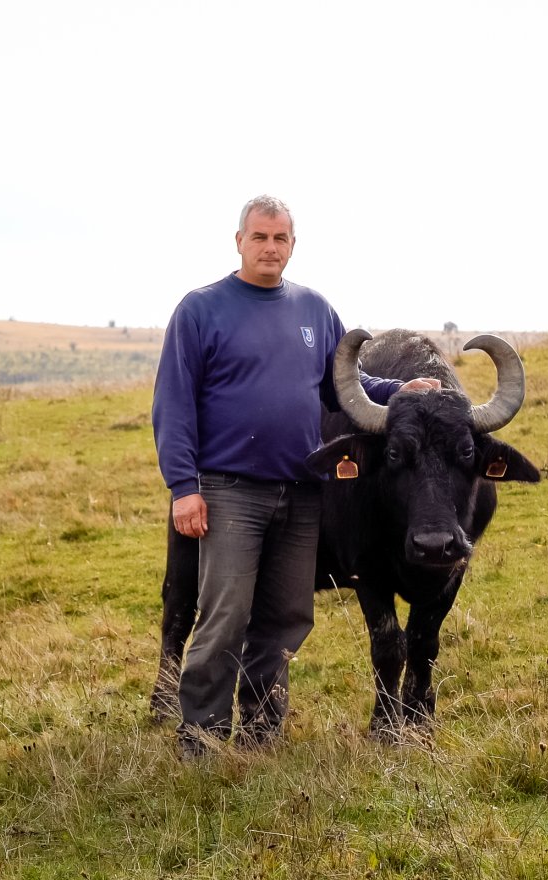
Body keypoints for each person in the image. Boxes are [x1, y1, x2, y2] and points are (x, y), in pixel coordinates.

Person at [151, 195, 438, 756]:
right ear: (238, 241)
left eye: (280, 239)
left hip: (305, 491)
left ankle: (262, 728)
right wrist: (184, 489)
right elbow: (173, 405)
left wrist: (397, 392)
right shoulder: (200, 310)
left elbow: (343, 388)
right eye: (259, 237)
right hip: (229, 490)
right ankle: (203, 736)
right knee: (226, 613)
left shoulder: (315, 310)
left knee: (286, 617)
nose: (269, 248)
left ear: (292, 246)